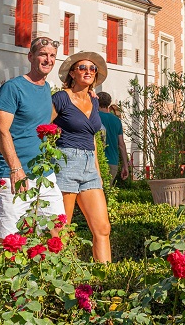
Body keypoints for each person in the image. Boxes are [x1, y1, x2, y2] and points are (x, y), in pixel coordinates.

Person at [0, 37, 66, 241]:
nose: (48, 59)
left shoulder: (47, 89)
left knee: (58, 229)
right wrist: (16, 169)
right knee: (8, 242)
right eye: (43, 54)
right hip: (13, 176)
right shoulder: (13, 88)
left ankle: (49, 273)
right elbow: (1, 130)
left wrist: (90, 93)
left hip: (44, 176)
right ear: (31, 57)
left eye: (52, 56)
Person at [52, 51, 112, 262]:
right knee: (61, 229)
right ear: (72, 73)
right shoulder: (61, 98)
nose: (88, 71)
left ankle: (106, 278)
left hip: (89, 166)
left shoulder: (94, 101)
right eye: (83, 67)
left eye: (92, 68)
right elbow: (41, 128)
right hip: (65, 161)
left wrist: (97, 170)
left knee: (103, 228)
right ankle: (56, 282)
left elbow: (92, 137)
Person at [97, 92, 130, 184]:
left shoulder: (95, 116)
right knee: (107, 192)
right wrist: (125, 165)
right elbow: (121, 145)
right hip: (113, 162)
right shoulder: (116, 120)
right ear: (109, 103)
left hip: (98, 161)